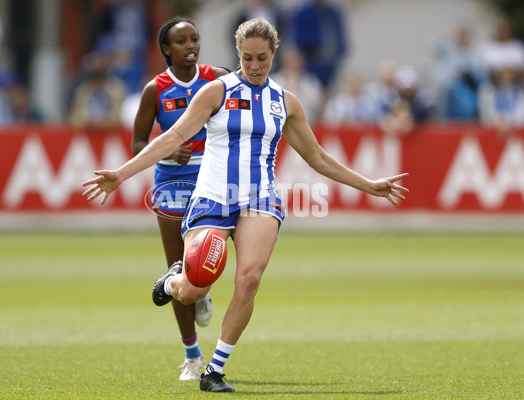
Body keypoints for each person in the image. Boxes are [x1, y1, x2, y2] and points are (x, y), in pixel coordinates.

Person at [82, 18, 409, 393]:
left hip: (260, 200)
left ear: (274, 55)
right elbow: (171, 136)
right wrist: (121, 174)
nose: (255, 66)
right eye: (248, 58)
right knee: (195, 289)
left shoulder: (285, 102)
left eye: (263, 59)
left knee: (249, 280)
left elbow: (318, 158)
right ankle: (172, 281)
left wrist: (370, 185)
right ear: (238, 54)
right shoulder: (216, 92)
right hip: (212, 197)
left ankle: (215, 370)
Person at [129, 18, 229, 381]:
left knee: (209, 258)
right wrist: (170, 153)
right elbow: (138, 144)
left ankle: (202, 289)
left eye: (195, 38)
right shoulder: (154, 90)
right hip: (173, 182)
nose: (191, 45)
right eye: (181, 40)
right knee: (177, 268)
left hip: (216, 180)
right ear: (166, 50)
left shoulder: (218, 77)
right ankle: (191, 355)